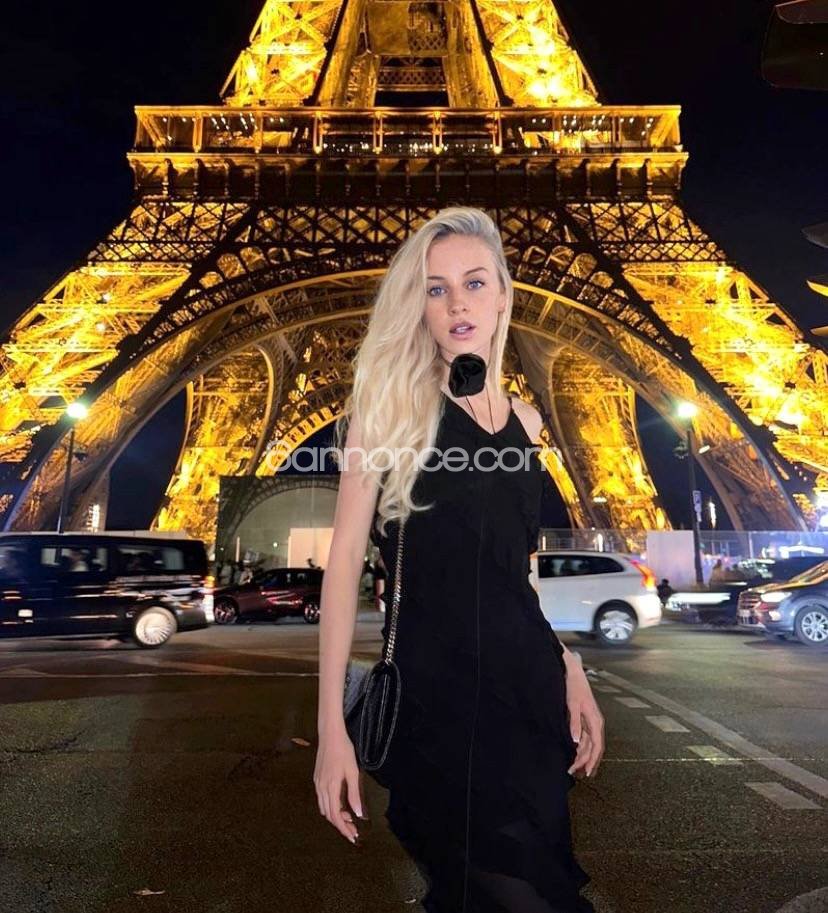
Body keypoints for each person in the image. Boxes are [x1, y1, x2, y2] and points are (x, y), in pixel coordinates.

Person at [314, 207, 603, 913]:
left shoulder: (528, 424)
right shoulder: (387, 414)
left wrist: (569, 666)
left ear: (503, 295)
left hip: (527, 698)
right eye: (435, 289)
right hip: (435, 705)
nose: (457, 304)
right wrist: (330, 729)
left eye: (474, 283)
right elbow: (344, 565)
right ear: (418, 306)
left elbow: (516, 575)